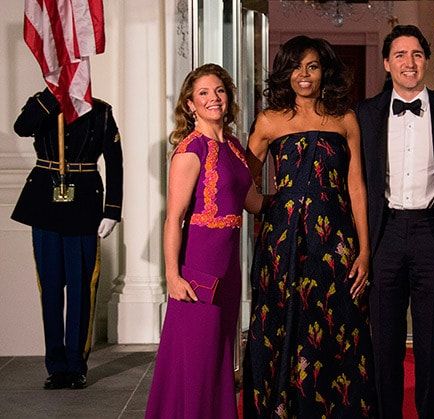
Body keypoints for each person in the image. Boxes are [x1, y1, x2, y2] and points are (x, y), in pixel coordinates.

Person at [242, 35, 376, 418]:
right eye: (297, 67)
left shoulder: (345, 118)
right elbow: (244, 184)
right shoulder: (269, 121)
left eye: (313, 66)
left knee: (338, 323)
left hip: (335, 239)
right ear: (286, 72)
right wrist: (269, 206)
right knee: (286, 323)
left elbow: (356, 187)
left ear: (324, 72)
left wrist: (364, 251)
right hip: (283, 241)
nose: (304, 75)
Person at [356, 24, 434, 418]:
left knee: (431, 344)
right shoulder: (365, 113)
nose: (409, 63)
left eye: (417, 55)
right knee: (384, 344)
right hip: (384, 235)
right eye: (401, 56)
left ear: (426, 60)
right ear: (387, 63)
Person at [145, 63, 261, 418]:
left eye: (220, 91)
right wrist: (173, 277)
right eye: (204, 93)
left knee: (221, 354)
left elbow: (255, 203)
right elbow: (173, 218)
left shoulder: (236, 147)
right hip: (200, 266)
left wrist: (304, 194)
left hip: (229, 265)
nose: (214, 99)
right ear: (190, 105)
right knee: (197, 357)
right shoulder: (189, 150)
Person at [12, 89, 123, 390]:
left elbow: (114, 162)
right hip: (44, 204)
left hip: (84, 206)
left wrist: (112, 211)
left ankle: (76, 365)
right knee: (50, 287)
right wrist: (51, 98)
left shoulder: (100, 111)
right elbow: (21, 128)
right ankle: (56, 365)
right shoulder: (42, 103)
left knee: (80, 288)